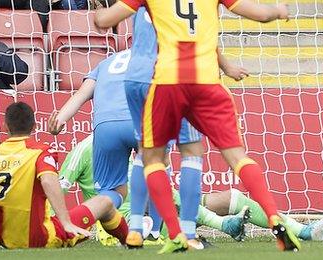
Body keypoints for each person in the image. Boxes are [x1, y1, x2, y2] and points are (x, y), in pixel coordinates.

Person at [95, 0, 296, 253]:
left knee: (149, 156)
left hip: (153, 80)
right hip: (199, 82)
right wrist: (278, 11)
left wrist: (97, 13)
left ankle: (153, 231)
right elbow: (256, 15)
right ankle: (266, 217)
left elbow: (104, 20)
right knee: (215, 154)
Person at [49, 7, 249, 251]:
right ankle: (159, 232)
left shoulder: (107, 62)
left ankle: (73, 226)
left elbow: (81, 96)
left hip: (105, 127)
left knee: (113, 191)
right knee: (157, 166)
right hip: (141, 117)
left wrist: (60, 119)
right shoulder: (163, 58)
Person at [60, 135, 323, 245]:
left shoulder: (138, 138)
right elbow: (58, 185)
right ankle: (222, 225)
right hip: (125, 224)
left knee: (233, 197)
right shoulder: (86, 148)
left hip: (162, 205)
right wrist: (61, 227)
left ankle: (303, 230)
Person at [0, 102, 128, 251]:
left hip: (3, 238)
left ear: (5, 126)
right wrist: (65, 222)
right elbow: (48, 181)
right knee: (105, 202)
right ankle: (131, 242)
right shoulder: (40, 152)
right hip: (40, 239)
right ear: (34, 126)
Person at [58, 134, 250, 246]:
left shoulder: (126, 143)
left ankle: (230, 225)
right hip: (117, 227)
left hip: (150, 215)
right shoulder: (83, 149)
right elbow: (59, 189)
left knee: (229, 197)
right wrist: (58, 228)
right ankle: (212, 229)